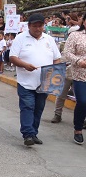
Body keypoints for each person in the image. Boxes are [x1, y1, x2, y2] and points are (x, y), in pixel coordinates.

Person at [9, 13, 61, 146]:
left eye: (40, 26)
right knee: (27, 107)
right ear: (29, 26)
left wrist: (54, 74)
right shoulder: (20, 38)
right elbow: (13, 57)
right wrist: (25, 65)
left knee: (39, 108)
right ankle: (27, 134)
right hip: (26, 81)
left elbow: (57, 58)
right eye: (35, 26)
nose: (38, 29)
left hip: (44, 81)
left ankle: (33, 132)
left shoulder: (49, 39)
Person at [53, 13, 82, 123]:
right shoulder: (63, 44)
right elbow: (60, 56)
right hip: (65, 71)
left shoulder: (82, 45)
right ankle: (57, 114)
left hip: (79, 73)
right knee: (61, 95)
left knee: (81, 98)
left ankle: (82, 118)